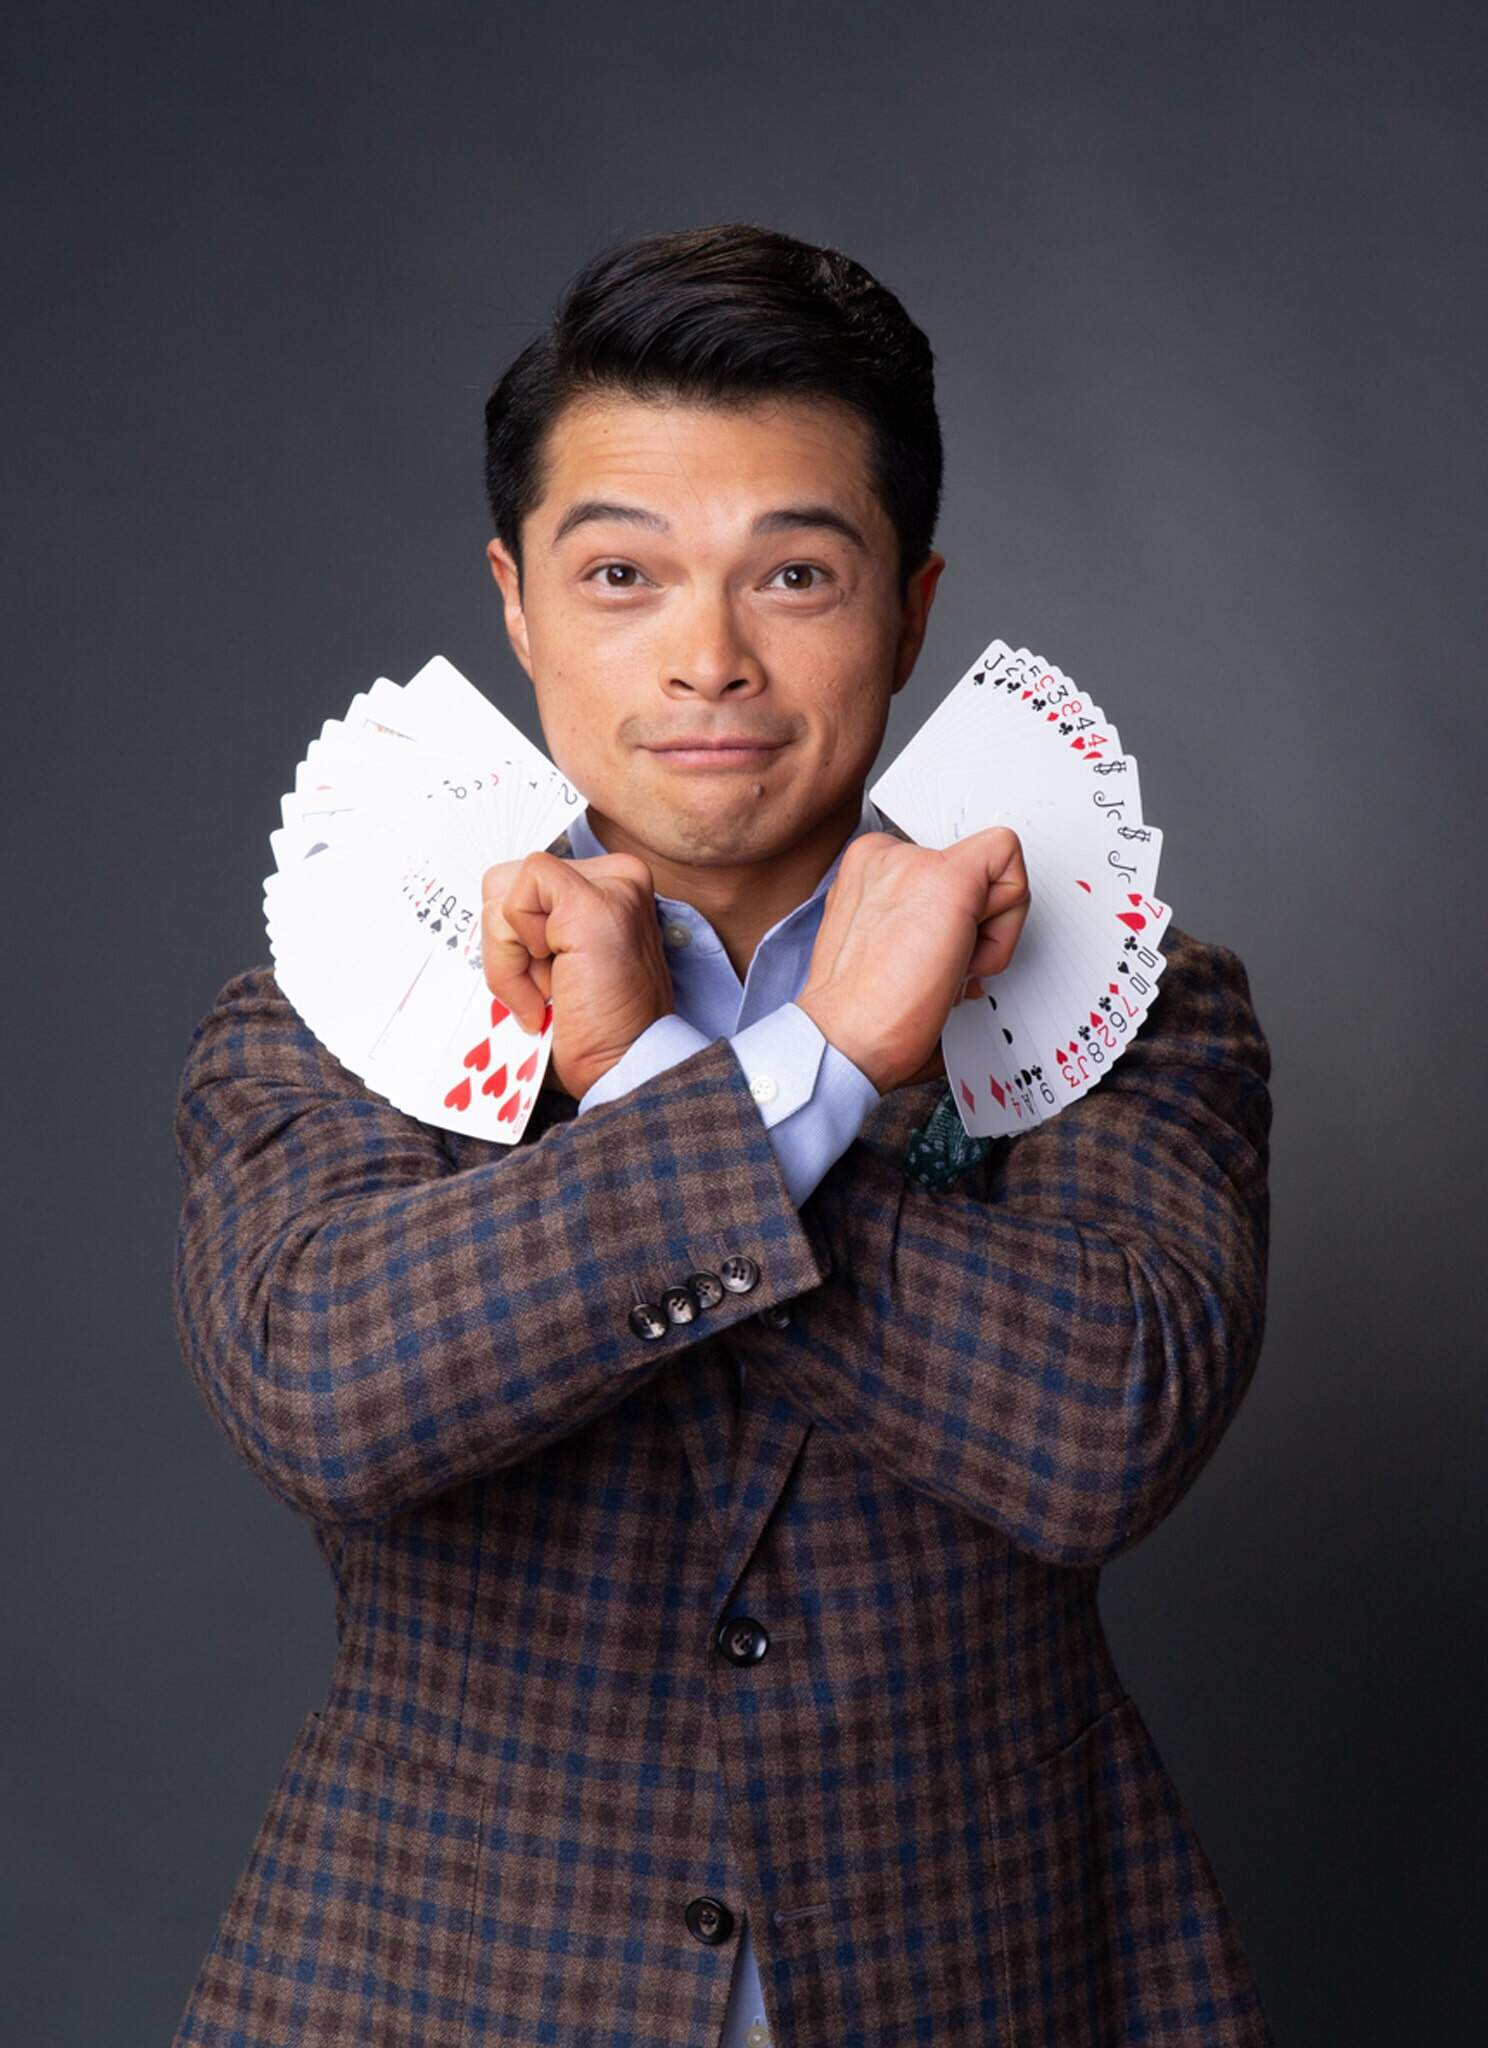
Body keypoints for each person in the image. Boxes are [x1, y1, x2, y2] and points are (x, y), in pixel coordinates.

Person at [169, 223, 1274, 2047]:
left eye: (795, 575)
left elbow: (1100, 1434)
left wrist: (667, 1091)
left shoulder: (1138, 1004)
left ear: (912, 611)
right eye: (622, 573)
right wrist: (821, 1070)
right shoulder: (329, 1016)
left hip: (992, 1976)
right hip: (434, 1984)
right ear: (518, 605)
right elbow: (340, 1398)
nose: (708, 659)